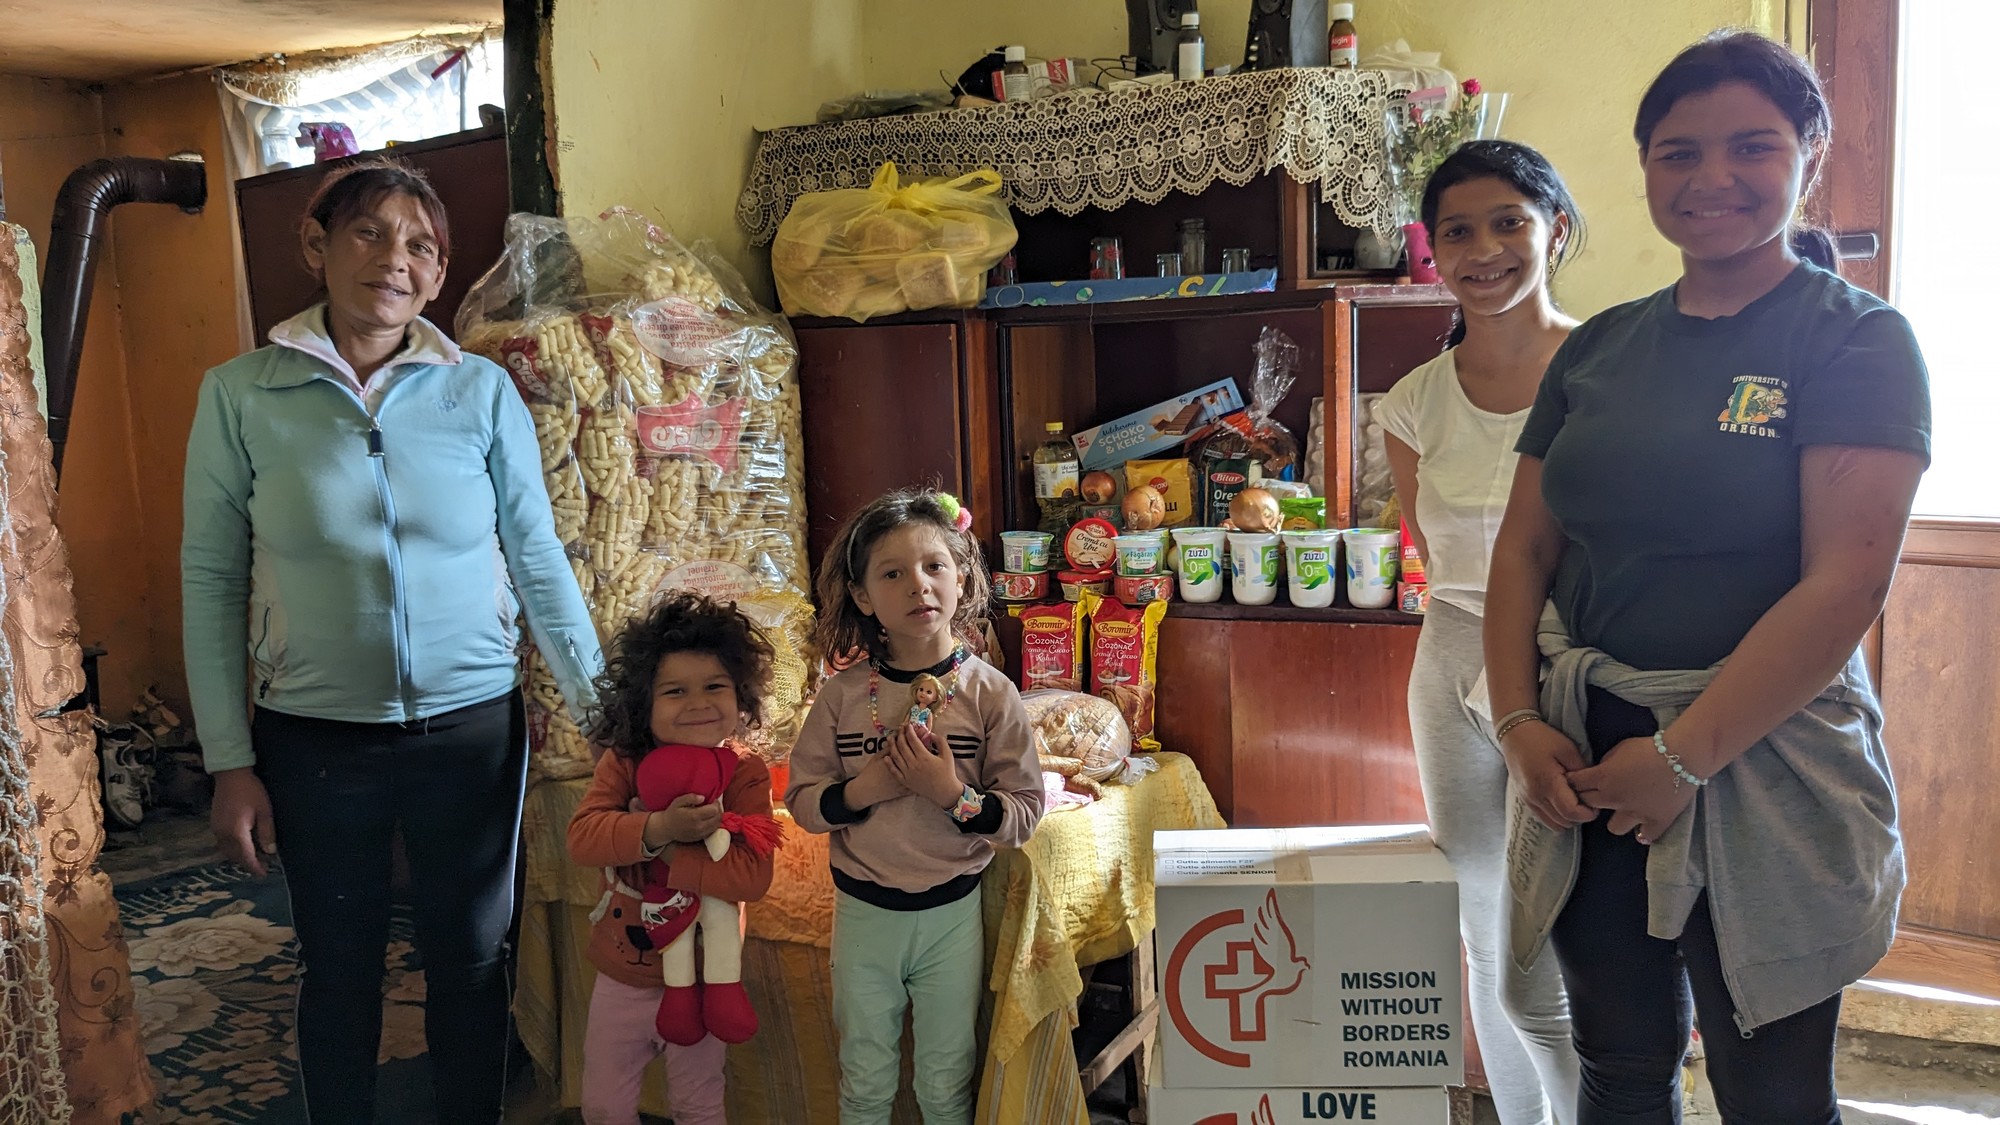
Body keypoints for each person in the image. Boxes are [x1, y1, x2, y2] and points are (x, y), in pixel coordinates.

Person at [1483, 31, 1930, 1124]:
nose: (1710, 179)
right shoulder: (1597, 350)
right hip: (1584, 755)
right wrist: (1513, 723)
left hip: (1762, 759)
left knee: (1769, 1089)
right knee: (1619, 1064)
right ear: (1643, 169)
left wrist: (1679, 762)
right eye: (1677, 154)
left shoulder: (1855, 343)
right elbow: (1521, 550)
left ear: (1807, 155)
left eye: (1750, 147)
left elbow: (1842, 587)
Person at [181, 158, 602, 1124]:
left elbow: (536, 557)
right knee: (339, 963)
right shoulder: (241, 395)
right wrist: (229, 761)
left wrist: (604, 710)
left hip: (472, 731)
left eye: (420, 244)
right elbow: (209, 580)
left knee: (469, 957)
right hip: (316, 734)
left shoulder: (479, 392)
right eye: (369, 233)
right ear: (316, 247)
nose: (394, 260)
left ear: (440, 271)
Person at [1377, 139, 1585, 1125]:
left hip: (1566, 664)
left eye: (1509, 220)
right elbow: (1423, 542)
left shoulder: (1602, 369)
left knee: (1561, 935)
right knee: (1480, 922)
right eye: (1455, 229)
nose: (1485, 248)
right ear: (1429, 250)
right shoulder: (1413, 400)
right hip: (1451, 651)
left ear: (1553, 228)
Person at [786, 488, 1044, 1125]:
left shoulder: (991, 694)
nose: (918, 585)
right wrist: (864, 791)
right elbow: (802, 803)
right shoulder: (842, 697)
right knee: (865, 1079)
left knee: (945, 1079)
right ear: (865, 597)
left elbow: (1024, 813)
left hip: (953, 914)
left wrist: (952, 796)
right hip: (865, 914)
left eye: (934, 566)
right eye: (892, 573)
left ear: (963, 577)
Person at [566, 592, 779, 1125]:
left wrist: (681, 852)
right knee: (603, 1105)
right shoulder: (625, 762)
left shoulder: (745, 773)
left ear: (741, 696)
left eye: (715, 687)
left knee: (699, 1105)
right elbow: (583, 838)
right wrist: (658, 828)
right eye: (675, 691)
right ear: (644, 703)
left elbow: (753, 874)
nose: (698, 703)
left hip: (707, 981)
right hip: (623, 972)